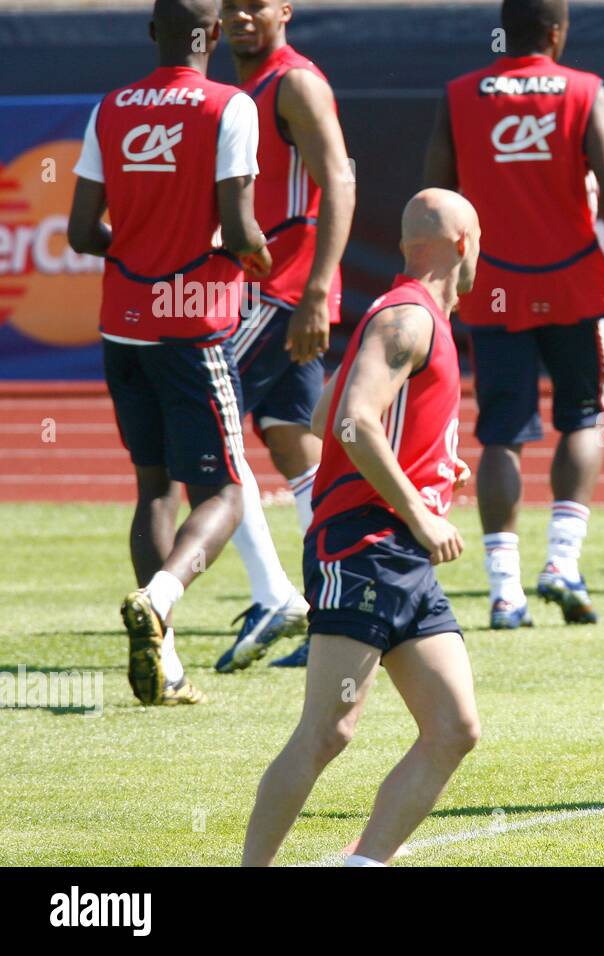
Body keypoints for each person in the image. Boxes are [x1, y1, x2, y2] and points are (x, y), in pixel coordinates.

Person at [242, 189, 480, 867]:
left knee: (454, 729)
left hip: (397, 554)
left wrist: (431, 467)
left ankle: (363, 863)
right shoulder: (406, 317)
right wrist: (418, 510)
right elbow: (351, 422)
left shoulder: (404, 311)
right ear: (462, 242)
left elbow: (324, 415)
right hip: (366, 545)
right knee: (328, 731)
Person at [66, 0, 270, 706]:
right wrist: (259, 256)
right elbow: (241, 229)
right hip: (192, 327)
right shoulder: (230, 106)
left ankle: (169, 664)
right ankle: (159, 595)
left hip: (122, 322)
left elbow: (79, 231)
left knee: (152, 487)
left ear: (152, 32)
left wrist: (134, 249)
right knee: (227, 493)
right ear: (214, 33)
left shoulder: (112, 106)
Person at [425, 0, 604, 629]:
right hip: (575, 284)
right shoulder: (583, 90)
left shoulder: (461, 93)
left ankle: (504, 592)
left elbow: (435, 199)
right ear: (558, 32)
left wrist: (431, 288)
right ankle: (562, 564)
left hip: (493, 286)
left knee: (500, 434)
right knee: (582, 419)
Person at [215, 0, 356, 672]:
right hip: (257, 284)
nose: (242, 16)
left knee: (203, 429)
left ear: (285, 11)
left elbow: (340, 182)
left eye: (256, 4)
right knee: (291, 439)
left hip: (275, 289)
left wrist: (320, 290)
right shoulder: (236, 88)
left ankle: (276, 594)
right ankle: (338, 603)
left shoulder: (294, 82)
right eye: (230, 5)